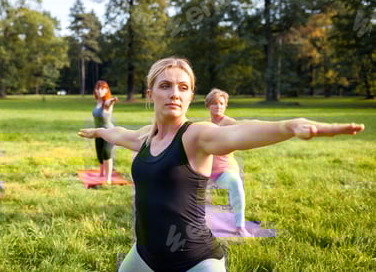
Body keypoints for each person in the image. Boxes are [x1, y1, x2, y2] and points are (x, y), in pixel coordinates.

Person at [78, 57, 364, 272]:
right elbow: (120, 134)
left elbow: (237, 133)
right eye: (165, 86)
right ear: (151, 94)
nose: (174, 93)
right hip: (144, 254)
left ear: (190, 96)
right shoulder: (145, 136)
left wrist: (289, 126)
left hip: (194, 259)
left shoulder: (196, 135)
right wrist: (99, 132)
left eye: (183, 87)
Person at [205, 88, 250, 237]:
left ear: (225, 106)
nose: (218, 106)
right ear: (208, 106)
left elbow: (244, 132)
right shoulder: (204, 125)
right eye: (214, 103)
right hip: (205, 170)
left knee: (235, 184)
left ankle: (240, 226)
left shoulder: (231, 123)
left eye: (221, 103)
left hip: (224, 170)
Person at [92, 80, 118, 184]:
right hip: (98, 132)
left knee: (106, 153)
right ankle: (101, 174)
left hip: (108, 133)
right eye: (98, 88)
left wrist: (112, 100)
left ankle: (108, 179)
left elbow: (109, 103)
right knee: (99, 154)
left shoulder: (106, 102)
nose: (99, 91)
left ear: (107, 90)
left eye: (102, 88)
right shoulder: (98, 102)